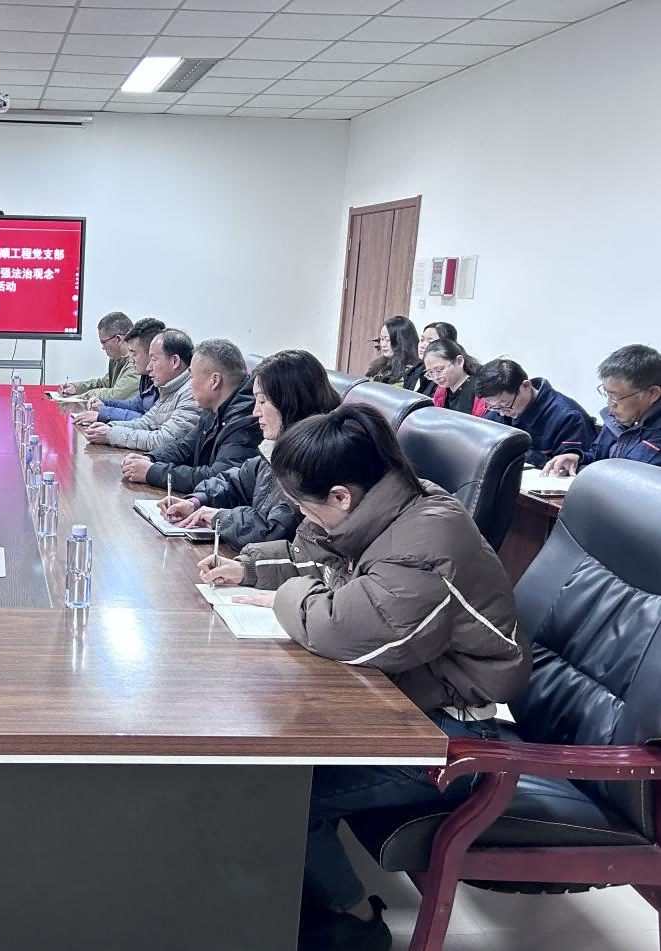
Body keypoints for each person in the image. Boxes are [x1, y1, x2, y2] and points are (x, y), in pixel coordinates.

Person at [200, 404, 530, 951]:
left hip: (455, 737)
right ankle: (288, 887)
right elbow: (322, 560)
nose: (300, 516)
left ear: (341, 497)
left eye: (302, 504)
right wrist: (253, 568)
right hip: (410, 701)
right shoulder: (388, 506)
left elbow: (338, 629)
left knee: (272, 790)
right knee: (258, 747)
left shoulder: (425, 544)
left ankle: (355, 920)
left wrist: (284, 595)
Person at [161, 349, 340, 549]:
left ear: (291, 401)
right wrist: (196, 502)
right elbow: (235, 482)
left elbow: (276, 530)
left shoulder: (316, 460)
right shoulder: (276, 448)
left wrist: (220, 517)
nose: (255, 412)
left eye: (262, 401)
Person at [121, 338, 260, 490]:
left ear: (214, 381)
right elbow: (186, 446)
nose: (189, 384)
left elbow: (218, 478)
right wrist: (151, 458)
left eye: (192, 376)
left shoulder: (246, 421)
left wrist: (152, 472)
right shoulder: (213, 407)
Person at [544, 344, 661, 475]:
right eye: (607, 394)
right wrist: (577, 458)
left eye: (615, 397)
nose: (610, 404)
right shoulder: (617, 418)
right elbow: (597, 457)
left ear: (652, 394)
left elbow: (625, 477)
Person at [82, 329, 199, 452]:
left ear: (175, 361)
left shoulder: (191, 394)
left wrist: (111, 434)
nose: (149, 367)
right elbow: (146, 422)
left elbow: (163, 440)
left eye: (154, 359)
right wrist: (109, 427)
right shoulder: (168, 388)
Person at [476, 358, 596, 468]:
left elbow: (569, 469)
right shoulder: (500, 409)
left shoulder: (568, 417)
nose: (501, 413)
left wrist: (517, 452)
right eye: (494, 407)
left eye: (505, 405)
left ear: (526, 386)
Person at [74, 317, 164, 425]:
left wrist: (103, 415)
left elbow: (149, 422)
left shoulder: (166, 383)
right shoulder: (146, 376)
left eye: (134, 354)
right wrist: (104, 403)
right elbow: (134, 406)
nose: (131, 359)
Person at [58, 311, 138, 401]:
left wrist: (87, 395)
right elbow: (104, 384)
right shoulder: (118, 359)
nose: (103, 348)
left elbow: (116, 396)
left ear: (118, 339)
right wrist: (76, 388)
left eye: (103, 342)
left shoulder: (136, 363)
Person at [423, 338, 486, 416]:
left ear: (459, 361)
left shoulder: (478, 391)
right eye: (430, 372)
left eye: (440, 370)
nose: (436, 377)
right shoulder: (441, 392)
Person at [365, 316, 421, 390]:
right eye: (381, 339)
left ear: (402, 341)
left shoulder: (410, 372)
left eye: (388, 340)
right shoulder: (380, 364)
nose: (383, 344)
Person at [414, 322, 457, 396]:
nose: (422, 345)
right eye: (422, 340)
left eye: (430, 342)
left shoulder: (447, 376)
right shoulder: (414, 370)